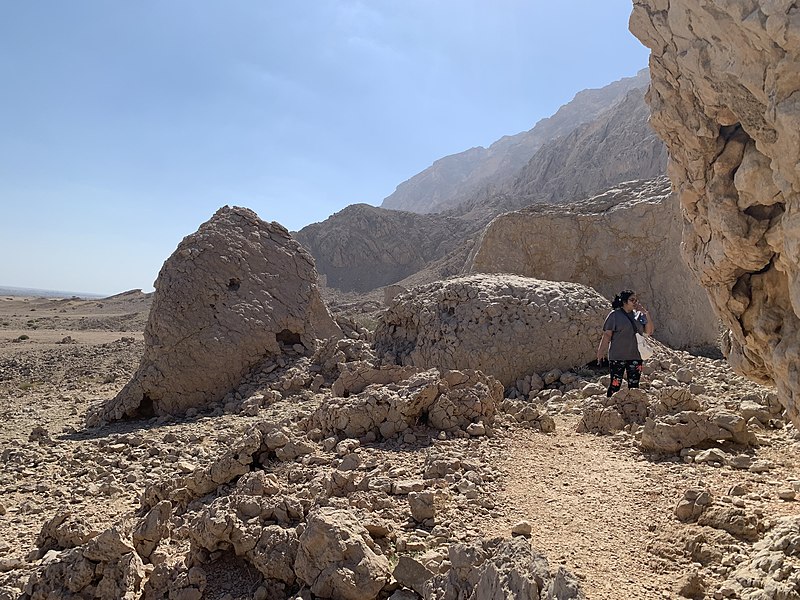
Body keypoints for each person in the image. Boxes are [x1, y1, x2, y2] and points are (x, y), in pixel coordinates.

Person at [596, 290, 655, 397]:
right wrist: (601, 352)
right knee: (615, 384)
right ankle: (611, 406)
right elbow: (607, 335)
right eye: (632, 300)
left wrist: (646, 314)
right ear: (624, 301)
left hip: (635, 357)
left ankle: (633, 407)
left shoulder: (639, 315)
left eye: (636, 300)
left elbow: (649, 331)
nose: (635, 302)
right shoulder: (614, 315)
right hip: (617, 356)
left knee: (634, 385)